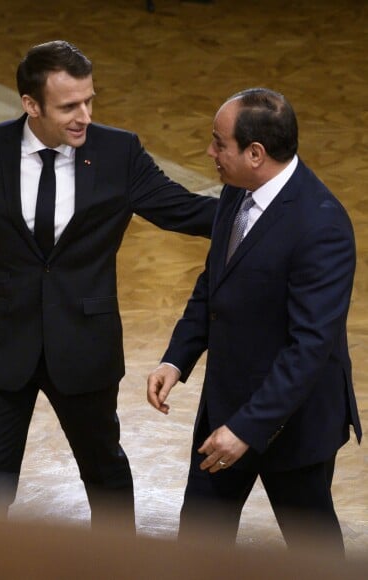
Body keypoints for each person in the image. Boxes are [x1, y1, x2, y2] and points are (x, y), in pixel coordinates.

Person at [0, 40, 217, 532]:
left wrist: (267, 206)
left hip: (84, 343)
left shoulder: (119, 152)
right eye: (69, 106)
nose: (84, 116)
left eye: (90, 100)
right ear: (31, 105)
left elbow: (184, 210)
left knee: (105, 474)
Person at [147, 88, 362, 554]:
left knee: (315, 556)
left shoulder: (321, 226)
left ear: (256, 153)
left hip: (293, 423)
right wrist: (176, 360)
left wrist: (246, 428)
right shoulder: (236, 193)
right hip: (224, 405)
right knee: (198, 546)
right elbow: (214, 284)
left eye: (218, 143)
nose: (210, 153)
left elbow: (309, 348)